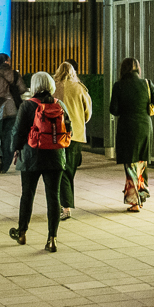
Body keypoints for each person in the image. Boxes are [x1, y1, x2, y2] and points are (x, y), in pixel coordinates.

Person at [10, 71, 65, 251]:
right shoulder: (59, 104)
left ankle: (22, 232)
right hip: (55, 156)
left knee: (27, 194)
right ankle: (52, 238)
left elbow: (18, 132)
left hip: (31, 156)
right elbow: (68, 129)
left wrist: (15, 149)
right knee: (53, 196)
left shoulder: (27, 106)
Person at [109, 58, 154, 210]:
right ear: (138, 69)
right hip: (144, 127)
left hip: (127, 128)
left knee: (130, 163)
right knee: (142, 162)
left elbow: (113, 109)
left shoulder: (119, 86)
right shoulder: (147, 83)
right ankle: (142, 196)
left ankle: (134, 201)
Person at [53, 62, 92, 220]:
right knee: (69, 171)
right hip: (76, 134)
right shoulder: (80, 88)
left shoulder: (54, 87)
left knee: (61, 171)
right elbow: (88, 112)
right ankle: (66, 205)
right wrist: (80, 122)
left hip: (58, 135)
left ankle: (65, 206)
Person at [0, 54, 21, 173]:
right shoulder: (14, 74)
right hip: (12, 109)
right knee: (8, 137)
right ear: (7, 62)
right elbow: (22, 89)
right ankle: (5, 165)